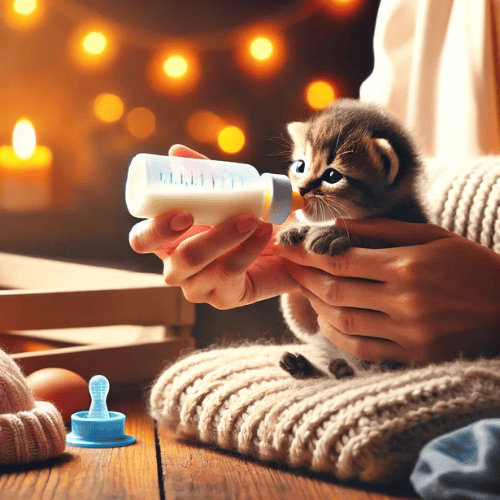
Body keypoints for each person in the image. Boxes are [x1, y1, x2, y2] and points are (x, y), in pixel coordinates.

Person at [129, 0, 500, 366]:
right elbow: (382, 171)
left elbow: (393, 186)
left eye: (329, 176)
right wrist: (297, 274)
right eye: (300, 167)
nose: (303, 187)